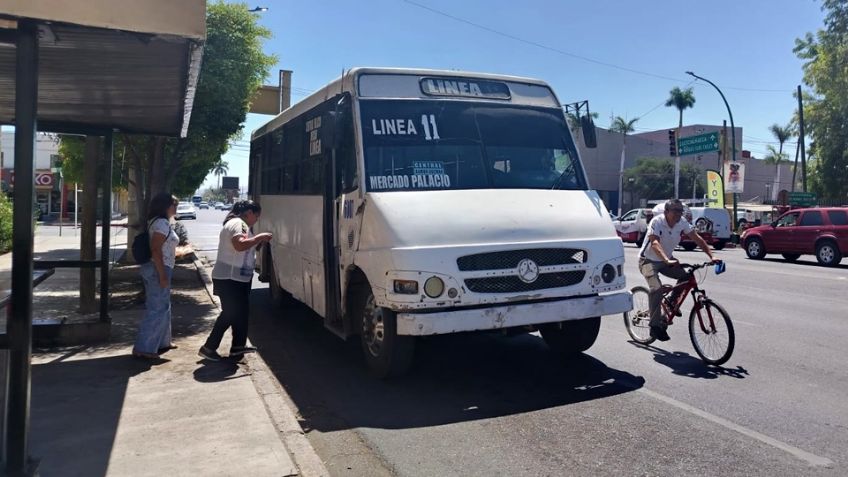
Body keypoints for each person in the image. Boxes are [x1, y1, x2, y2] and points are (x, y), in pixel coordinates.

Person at [198, 200, 272, 361]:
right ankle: (209, 347)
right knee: (231, 313)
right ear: (249, 213)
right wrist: (259, 237)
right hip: (230, 278)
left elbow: (245, 248)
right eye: (257, 216)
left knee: (241, 313)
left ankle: (238, 347)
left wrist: (258, 242)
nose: (257, 219)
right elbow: (239, 245)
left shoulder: (239, 224)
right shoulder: (239, 224)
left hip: (237, 277)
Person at [638, 199, 718, 342]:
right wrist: (666, 260)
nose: (678, 214)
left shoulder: (682, 222)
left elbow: (697, 239)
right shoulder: (657, 222)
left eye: (681, 211)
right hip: (648, 260)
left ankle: (671, 302)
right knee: (656, 289)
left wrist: (712, 256)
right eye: (675, 210)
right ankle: (654, 326)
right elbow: (655, 242)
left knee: (686, 276)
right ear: (666, 212)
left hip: (666, 260)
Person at [133, 193, 180, 359]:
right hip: (158, 268)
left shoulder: (160, 222)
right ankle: (144, 347)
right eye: (173, 204)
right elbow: (155, 249)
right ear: (165, 206)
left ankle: (162, 341)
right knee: (157, 307)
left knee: (163, 305)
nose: (176, 207)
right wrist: (162, 275)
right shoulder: (161, 223)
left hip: (161, 266)